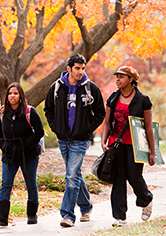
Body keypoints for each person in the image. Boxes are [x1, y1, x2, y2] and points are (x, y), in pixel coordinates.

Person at [44, 53, 106, 227]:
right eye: (77, 68)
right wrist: (56, 127)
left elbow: (100, 113)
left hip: (80, 139)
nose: (80, 71)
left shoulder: (90, 88)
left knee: (71, 175)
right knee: (75, 174)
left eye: (83, 68)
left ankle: (68, 215)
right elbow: (48, 109)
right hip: (63, 138)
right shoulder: (56, 87)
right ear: (69, 69)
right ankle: (86, 206)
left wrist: (86, 129)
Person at [100, 66, 155, 227]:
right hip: (116, 145)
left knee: (134, 176)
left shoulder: (143, 100)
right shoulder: (113, 98)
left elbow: (149, 127)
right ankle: (119, 217)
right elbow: (107, 122)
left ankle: (146, 199)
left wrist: (152, 151)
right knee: (118, 179)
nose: (117, 79)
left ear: (131, 79)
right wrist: (104, 141)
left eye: (121, 77)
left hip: (134, 146)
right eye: (116, 76)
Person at [0, 82, 45, 226]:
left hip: (29, 154)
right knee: (6, 183)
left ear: (20, 96)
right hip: (9, 154)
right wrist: (3, 145)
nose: (12, 96)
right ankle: (2, 216)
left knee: (30, 183)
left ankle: (32, 214)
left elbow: (39, 131)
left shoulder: (29, 111)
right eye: (10, 93)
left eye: (15, 93)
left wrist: (27, 144)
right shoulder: (2, 114)